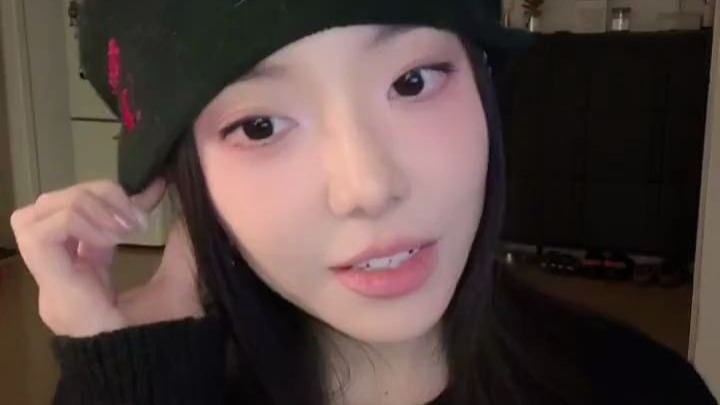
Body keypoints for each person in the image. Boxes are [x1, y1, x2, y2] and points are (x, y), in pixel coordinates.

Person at [9, 0, 717, 404]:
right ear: (186, 178)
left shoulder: (643, 392)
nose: (368, 187)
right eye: (261, 126)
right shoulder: (145, 387)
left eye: (413, 81)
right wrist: (128, 378)